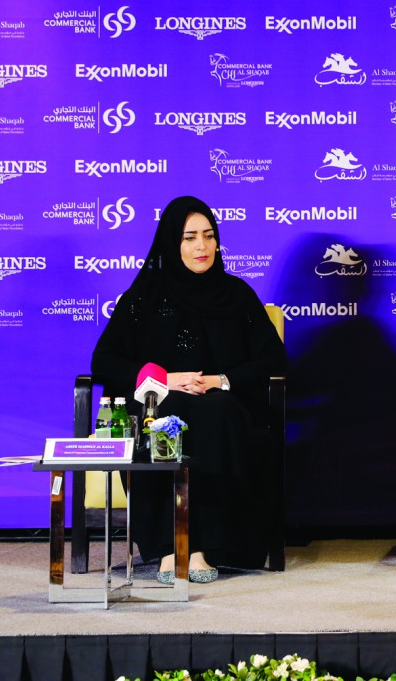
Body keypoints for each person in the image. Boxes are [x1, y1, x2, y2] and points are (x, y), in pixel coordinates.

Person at [92, 196, 287, 584]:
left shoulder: (237, 296)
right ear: (171, 243)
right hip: (160, 402)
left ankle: (202, 547)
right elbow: (105, 362)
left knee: (215, 412)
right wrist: (164, 379)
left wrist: (220, 380)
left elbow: (273, 361)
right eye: (190, 237)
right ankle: (169, 546)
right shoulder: (142, 299)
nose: (202, 246)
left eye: (209, 236)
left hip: (224, 403)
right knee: (165, 421)